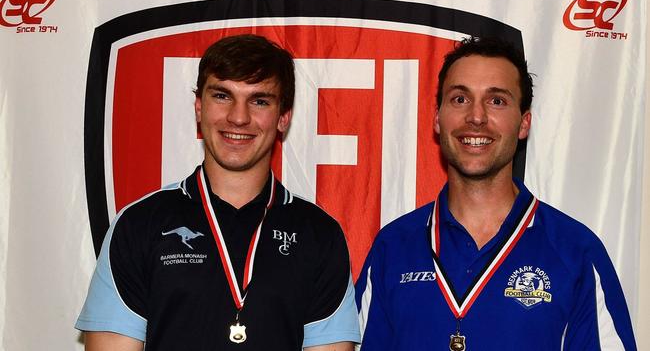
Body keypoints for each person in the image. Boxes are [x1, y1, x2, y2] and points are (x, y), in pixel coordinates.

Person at [76, 34, 360, 351]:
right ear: (199, 108)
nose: (238, 117)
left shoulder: (319, 234)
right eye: (223, 96)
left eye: (259, 100)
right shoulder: (139, 225)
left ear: (283, 117)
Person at [355, 37, 636, 350]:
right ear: (437, 118)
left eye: (497, 101)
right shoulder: (393, 247)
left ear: (523, 123)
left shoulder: (576, 252)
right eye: (460, 99)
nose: (476, 117)